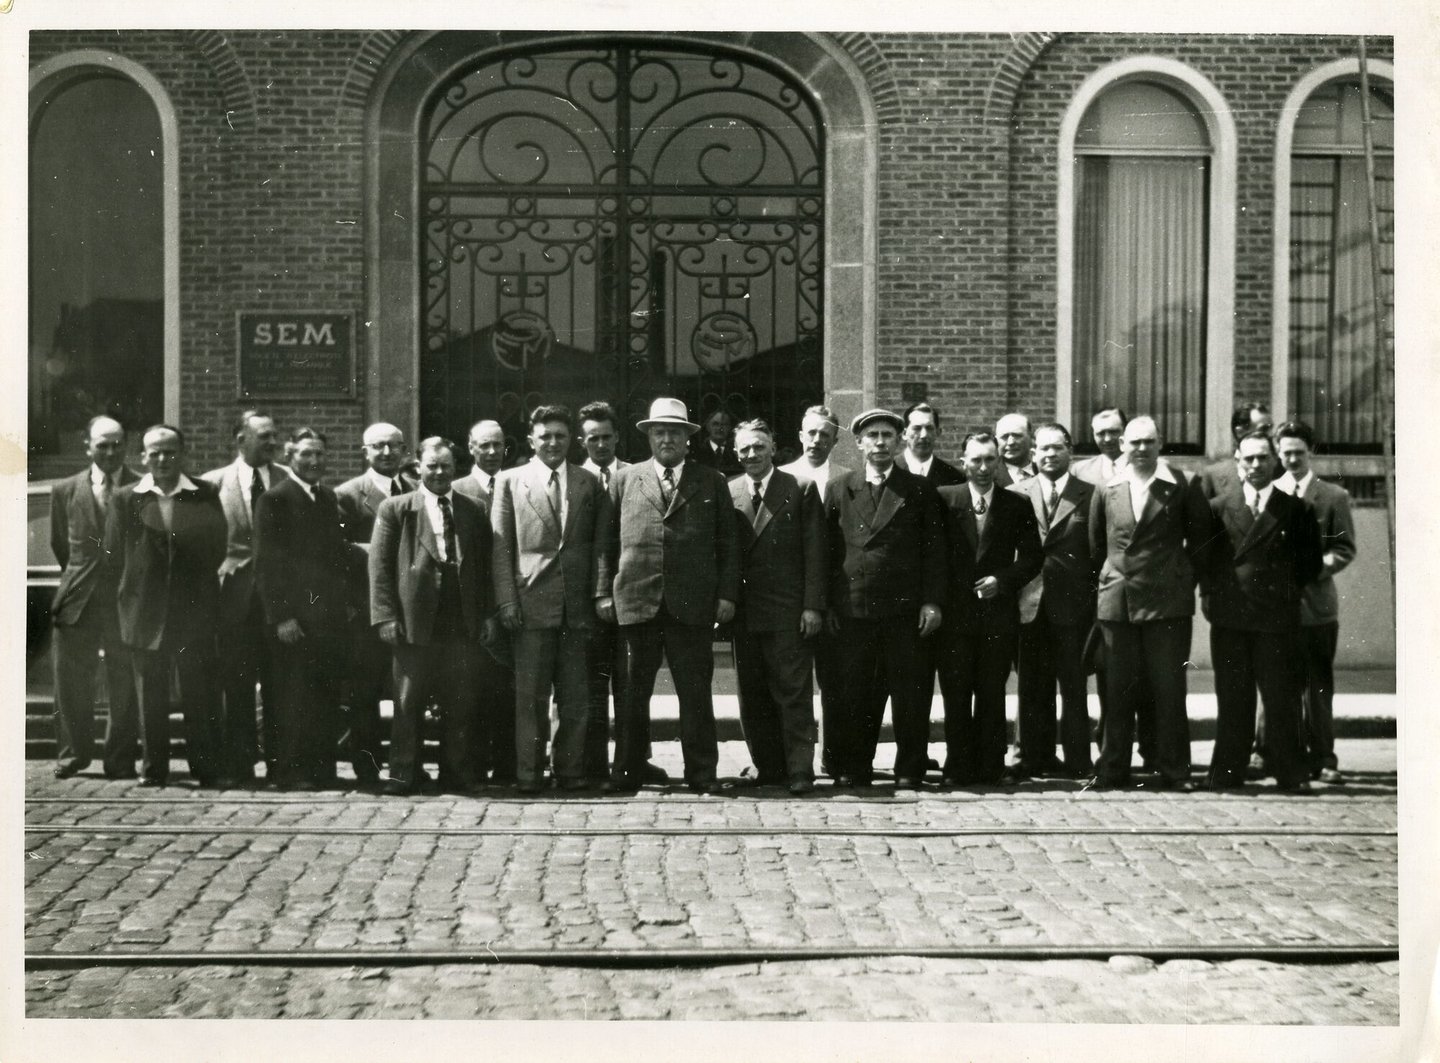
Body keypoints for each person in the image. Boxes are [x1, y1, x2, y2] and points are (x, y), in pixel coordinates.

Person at [601, 397, 739, 793]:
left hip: (691, 604)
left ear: (687, 439)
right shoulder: (626, 479)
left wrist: (726, 594)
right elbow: (605, 543)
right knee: (630, 694)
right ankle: (626, 772)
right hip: (635, 601)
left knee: (695, 693)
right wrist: (602, 593)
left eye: (674, 432)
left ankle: (702, 773)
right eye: (659, 432)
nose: (667, 439)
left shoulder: (710, 480)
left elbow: (727, 543)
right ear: (648, 437)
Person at [491, 405, 612, 794]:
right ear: (531, 441)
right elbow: (501, 548)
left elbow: (599, 546)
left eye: (560, 435)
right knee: (530, 699)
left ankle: (570, 772)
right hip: (530, 608)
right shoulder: (510, 482)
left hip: (576, 610)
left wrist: (598, 595)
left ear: (571, 440)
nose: (554, 443)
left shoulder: (586, 483)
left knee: (575, 699)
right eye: (545, 436)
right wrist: (508, 602)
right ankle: (529, 773)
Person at [824, 409, 947, 788]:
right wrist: (827, 604)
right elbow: (827, 552)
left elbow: (935, 552)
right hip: (855, 608)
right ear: (859, 443)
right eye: (872, 436)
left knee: (910, 692)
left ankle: (910, 768)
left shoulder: (920, 490)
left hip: (904, 610)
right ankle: (856, 765)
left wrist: (931, 601)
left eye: (887, 436)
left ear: (899, 441)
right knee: (858, 691)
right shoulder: (840, 487)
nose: (880, 443)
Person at [1088, 415, 1211, 792]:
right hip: (1119, 601)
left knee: (1168, 689)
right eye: (1134, 442)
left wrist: (1178, 577)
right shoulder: (1107, 488)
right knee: (1117, 689)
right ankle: (1112, 770)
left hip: (1166, 604)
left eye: (1149, 442)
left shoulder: (1182, 484)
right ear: (1122, 445)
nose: (1141, 449)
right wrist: (1113, 580)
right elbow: (1096, 546)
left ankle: (1175, 770)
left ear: (1160, 444)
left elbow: (1203, 543)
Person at [104, 425, 228, 787]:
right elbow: (112, 555)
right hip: (144, 613)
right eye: (154, 453)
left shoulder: (203, 494)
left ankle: (204, 768)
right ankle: (154, 769)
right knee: (150, 697)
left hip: (192, 612)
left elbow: (217, 546)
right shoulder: (127, 498)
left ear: (182, 454)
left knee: (198, 694)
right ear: (142, 457)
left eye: (169, 452)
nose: (162, 459)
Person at [369, 437, 493, 795]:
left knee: (460, 697)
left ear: (455, 467)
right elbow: (379, 569)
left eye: (445, 466)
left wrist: (485, 616)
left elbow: (483, 569)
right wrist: (385, 616)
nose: (439, 473)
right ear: (418, 467)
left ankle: (456, 774)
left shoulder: (472, 509)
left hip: (460, 616)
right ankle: (403, 774)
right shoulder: (397, 509)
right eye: (432, 466)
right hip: (413, 618)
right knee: (409, 699)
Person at [1201, 429, 1323, 793]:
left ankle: (1289, 772)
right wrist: (1214, 601)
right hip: (1231, 619)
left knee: (1280, 698)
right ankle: (1227, 772)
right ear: (1238, 463)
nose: (1256, 465)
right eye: (1248, 458)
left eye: (1263, 458)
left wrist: (1282, 598)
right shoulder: (1219, 507)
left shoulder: (1296, 509)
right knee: (1234, 698)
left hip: (1276, 620)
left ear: (1276, 461)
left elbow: (1309, 565)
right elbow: (1205, 563)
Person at [254, 428, 361, 790]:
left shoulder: (328, 498)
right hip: (293, 619)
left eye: (319, 455)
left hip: (326, 618)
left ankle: (320, 769)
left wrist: (344, 602)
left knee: (323, 694)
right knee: (290, 696)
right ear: (289, 457)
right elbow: (267, 563)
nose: (314, 461)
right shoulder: (275, 499)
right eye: (305, 455)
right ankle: (288, 771)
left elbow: (335, 557)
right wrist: (281, 616)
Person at [935, 432, 1043, 785]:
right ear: (963, 461)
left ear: (999, 462)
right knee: (956, 692)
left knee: (992, 692)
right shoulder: (945, 499)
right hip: (955, 617)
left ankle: (990, 765)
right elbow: (930, 555)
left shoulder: (1016, 504)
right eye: (976, 460)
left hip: (997, 616)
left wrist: (1003, 580)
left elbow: (1032, 558)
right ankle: (958, 765)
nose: (983, 468)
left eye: (990, 460)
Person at [728, 419, 827, 794]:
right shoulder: (730, 490)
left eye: (758, 447)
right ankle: (767, 766)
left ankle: (800, 769)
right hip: (746, 614)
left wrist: (812, 606)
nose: (751, 454)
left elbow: (815, 552)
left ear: (773, 448)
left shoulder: (799, 488)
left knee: (793, 693)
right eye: (744, 449)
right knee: (751, 696)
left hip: (788, 612)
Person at [576, 401, 668, 786]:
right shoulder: (573, 479)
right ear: (582, 442)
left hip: (632, 599)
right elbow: (598, 544)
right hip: (585, 600)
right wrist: (599, 592)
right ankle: (591, 763)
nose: (600, 445)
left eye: (607, 437)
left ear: (618, 438)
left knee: (632, 685)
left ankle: (632, 761)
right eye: (592, 438)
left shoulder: (636, 476)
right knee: (591, 684)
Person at [48, 415, 141, 780]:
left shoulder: (141, 486)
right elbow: (61, 546)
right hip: (78, 601)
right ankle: (73, 756)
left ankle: (120, 760)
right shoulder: (65, 490)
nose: (110, 451)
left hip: (125, 600)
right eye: (102, 444)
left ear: (127, 446)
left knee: (125, 681)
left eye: (117, 444)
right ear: (87, 446)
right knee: (70, 682)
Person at [203, 409, 288, 786]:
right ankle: (238, 767)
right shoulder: (211, 485)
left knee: (280, 685)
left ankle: (281, 766)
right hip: (231, 602)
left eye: (274, 436)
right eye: (264, 436)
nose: (273, 442)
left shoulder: (288, 481)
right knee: (235, 685)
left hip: (280, 604)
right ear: (241, 440)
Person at [1008, 422, 1097, 778]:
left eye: (1056, 448)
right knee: (1031, 688)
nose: (1048, 455)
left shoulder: (1090, 494)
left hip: (1073, 607)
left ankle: (1078, 761)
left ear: (1069, 451)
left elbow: (1097, 553)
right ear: (1033, 453)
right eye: (1042, 449)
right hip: (1029, 604)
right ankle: (1034, 758)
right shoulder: (1015, 492)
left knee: (1073, 688)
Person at [1273, 420, 1357, 784]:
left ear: (1312, 453)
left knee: (1318, 687)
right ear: (1278, 453)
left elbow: (1344, 548)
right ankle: (1276, 754)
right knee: (1278, 686)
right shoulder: (1268, 492)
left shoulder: (1333, 497)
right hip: (1275, 607)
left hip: (1316, 607)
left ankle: (1324, 756)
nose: (1292, 459)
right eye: (1286, 452)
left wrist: (1314, 568)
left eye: (1299, 453)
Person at [334, 421, 415, 784]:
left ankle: (405, 766)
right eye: (378, 446)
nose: (386, 453)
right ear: (364, 452)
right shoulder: (348, 495)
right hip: (366, 610)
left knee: (407, 691)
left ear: (404, 450)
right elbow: (337, 551)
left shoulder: (417, 490)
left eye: (393, 446)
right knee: (365, 692)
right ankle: (367, 768)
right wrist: (383, 554)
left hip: (411, 610)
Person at [778, 405, 852, 776]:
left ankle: (835, 757)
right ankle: (792, 760)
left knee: (834, 682)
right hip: (792, 599)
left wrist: (831, 603)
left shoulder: (848, 479)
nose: (817, 441)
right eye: (811, 433)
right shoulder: (783, 477)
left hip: (834, 601)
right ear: (800, 435)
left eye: (825, 434)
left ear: (836, 440)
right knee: (792, 685)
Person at [452, 418, 517, 784]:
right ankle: (472, 767)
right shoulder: (456, 488)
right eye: (484, 445)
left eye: (498, 445)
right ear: (471, 447)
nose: (492, 452)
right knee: (471, 692)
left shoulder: (516, 483)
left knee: (508, 693)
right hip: (471, 612)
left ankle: (508, 766)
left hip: (511, 607)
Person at [1199, 402, 1273, 500]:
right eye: (1263, 429)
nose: (1270, 434)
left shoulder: (1280, 470)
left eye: (1270, 428)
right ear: (1240, 432)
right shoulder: (1214, 475)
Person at [900, 402, 966, 486]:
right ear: (904, 433)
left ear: (938, 433)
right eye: (917, 428)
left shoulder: (954, 477)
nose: (923, 435)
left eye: (929, 428)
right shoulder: (889, 470)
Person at [1070, 407, 1128, 487]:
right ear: (1094, 435)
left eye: (1113, 432)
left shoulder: (1140, 466)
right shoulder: (1080, 471)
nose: (1107, 439)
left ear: (1125, 431)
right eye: (1101, 433)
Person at [690, 408, 743, 476]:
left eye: (724, 424)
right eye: (715, 424)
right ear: (708, 427)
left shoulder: (735, 452)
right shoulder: (698, 451)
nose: (720, 428)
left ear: (729, 428)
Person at [993, 412, 1038, 487]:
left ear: (1031, 438)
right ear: (996, 440)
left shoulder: (1044, 472)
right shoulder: (989, 476)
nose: (1011, 442)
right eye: (1005, 437)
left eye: (1017, 436)